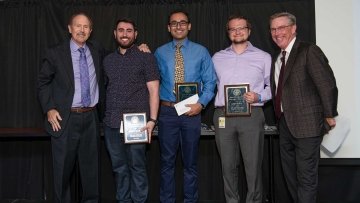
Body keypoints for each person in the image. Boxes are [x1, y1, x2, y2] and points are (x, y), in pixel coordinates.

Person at [269, 12, 338, 203]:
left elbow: (327, 84)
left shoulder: (309, 51)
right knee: (290, 177)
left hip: (308, 125)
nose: (277, 33)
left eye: (281, 27)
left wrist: (329, 114)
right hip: (284, 125)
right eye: (273, 29)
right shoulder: (277, 59)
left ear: (294, 28)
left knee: (306, 178)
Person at [37, 12, 104, 203]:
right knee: (62, 173)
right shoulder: (55, 53)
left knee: (91, 172)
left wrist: (139, 47)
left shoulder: (97, 49)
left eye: (86, 27)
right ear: (69, 28)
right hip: (65, 119)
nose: (81, 30)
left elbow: (118, 55)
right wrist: (49, 108)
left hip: (91, 118)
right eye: (78, 26)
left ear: (90, 31)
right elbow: (42, 82)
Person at [154, 10, 216, 203]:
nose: (178, 26)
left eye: (182, 23)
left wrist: (202, 104)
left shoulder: (201, 51)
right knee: (166, 163)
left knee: (190, 164)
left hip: (191, 112)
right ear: (168, 27)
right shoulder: (159, 52)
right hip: (167, 112)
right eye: (174, 23)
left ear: (189, 26)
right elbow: (151, 81)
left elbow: (211, 82)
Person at [212, 14, 272, 203]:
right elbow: (210, 84)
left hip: (252, 114)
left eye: (241, 28)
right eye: (233, 28)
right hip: (223, 116)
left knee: (253, 166)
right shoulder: (217, 58)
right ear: (228, 32)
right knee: (227, 166)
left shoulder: (263, 57)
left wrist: (259, 96)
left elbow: (273, 87)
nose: (237, 32)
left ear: (249, 30)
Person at [102, 18, 160, 203]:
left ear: (135, 34)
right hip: (111, 123)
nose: (124, 34)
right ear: (115, 34)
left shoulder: (146, 57)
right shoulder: (107, 60)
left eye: (129, 30)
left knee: (137, 167)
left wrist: (152, 120)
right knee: (119, 168)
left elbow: (154, 90)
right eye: (121, 30)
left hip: (137, 124)